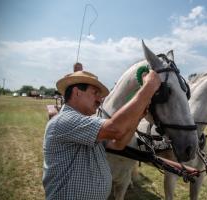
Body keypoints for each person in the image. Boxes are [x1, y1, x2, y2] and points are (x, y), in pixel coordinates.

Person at [42, 68, 161, 199]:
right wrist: (149, 87)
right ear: (77, 92)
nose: (100, 99)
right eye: (95, 93)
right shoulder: (64, 120)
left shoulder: (86, 123)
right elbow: (115, 129)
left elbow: (118, 144)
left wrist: (137, 118)